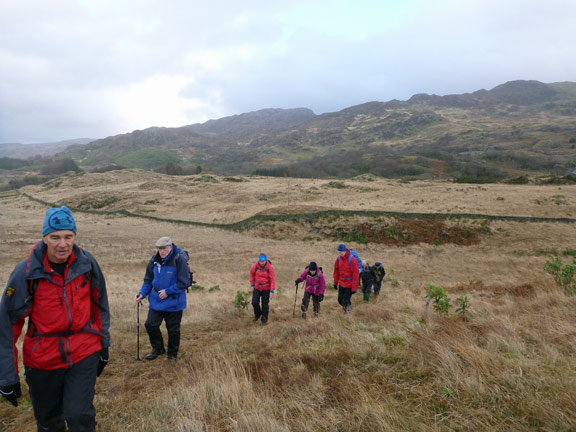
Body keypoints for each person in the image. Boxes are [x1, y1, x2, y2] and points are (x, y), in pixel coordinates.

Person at [0, 205, 110, 431]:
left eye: (68, 236)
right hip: (43, 358)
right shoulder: (26, 272)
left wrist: (103, 344)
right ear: (44, 238)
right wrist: (7, 375)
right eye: (55, 237)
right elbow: (7, 324)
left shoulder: (87, 264)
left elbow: (100, 306)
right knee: (49, 422)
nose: (63, 244)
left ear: (74, 237)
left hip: (83, 350)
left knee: (80, 415)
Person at [135, 237, 190, 361]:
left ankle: (172, 355)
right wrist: (142, 294)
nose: (162, 251)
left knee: (173, 330)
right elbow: (148, 280)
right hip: (156, 301)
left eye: (164, 248)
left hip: (174, 302)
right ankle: (158, 348)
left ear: (170, 247)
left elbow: (184, 282)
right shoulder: (154, 260)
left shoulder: (179, 259)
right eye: (160, 249)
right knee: (150, 324)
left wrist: (168, 291)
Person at [333, 244, 360, 313]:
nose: (339, 253)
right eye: (339, 252)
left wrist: (354, 287)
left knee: (345, 299)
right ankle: (347, 307)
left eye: (341, 252)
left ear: (345, 251)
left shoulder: (352, 259)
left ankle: (348, 310)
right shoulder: (338, 259)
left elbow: (356, 274)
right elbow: (336, 271)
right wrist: (335, 283)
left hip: (349, 284)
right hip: (341, 283)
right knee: (340, 300)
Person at [250, 254, 275, 325]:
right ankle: (257, 314)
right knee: (254, 302)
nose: (262, 263)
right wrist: (252, 285)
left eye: (263, 261)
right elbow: (251, 274)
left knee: (265, 305)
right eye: (260, 261)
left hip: (266, 289)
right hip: (257, 287)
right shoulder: (255, 266)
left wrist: (272, 291)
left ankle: (264, 319)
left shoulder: (269, 267)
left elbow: (272, 280)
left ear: (266, 260)